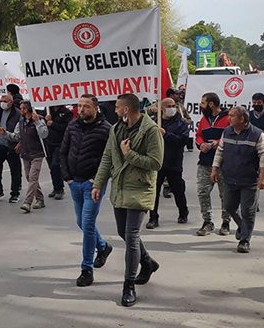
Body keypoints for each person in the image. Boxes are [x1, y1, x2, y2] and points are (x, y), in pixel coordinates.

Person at [92, 94, 163, 307]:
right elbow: (107, 157)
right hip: (121, 188)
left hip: (140, 188)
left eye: (117, 107)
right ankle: (148, 262)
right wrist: (98, 183)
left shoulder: (150, 131)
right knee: (123, 233)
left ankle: (128, 285)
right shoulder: (116, 129)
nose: (114, 110)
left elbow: (156, 163)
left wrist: (129, 154)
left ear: (126, 109)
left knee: (131, 236)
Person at [60, 94, 113, 287]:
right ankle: (103, 246)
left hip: (93, 185)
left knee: (88, 223)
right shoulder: (73, 126)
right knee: (80, 221)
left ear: (95, 108)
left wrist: (98, 180)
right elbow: (63, 151)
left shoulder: (106, 129)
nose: (81, 109)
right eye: (79, 106)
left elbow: (109, 158)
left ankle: (86, 269)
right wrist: (67, 177)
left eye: (86, 106)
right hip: (75, 182)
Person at [211, 106, 264, 253]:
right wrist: (214, 169)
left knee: (247, 211)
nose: (228, 118)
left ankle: (244, 240)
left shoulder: (257, 134)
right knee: (229, 206)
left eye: (232, 116)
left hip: (250, 180)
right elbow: (220, 151)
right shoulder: (227, 132)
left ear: (242, 119)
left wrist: (263, 177)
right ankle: (243, 227)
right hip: (230, 178)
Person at [146, 98, 189, 229]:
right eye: (169, 106)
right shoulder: (154, 122)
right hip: (157, 162)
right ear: (162, 109)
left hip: (173, 162)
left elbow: (183, 140)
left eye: (173, 106)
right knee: (154, 191)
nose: (172, 108)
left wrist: (166, 134)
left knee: (178, 189)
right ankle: (153, 217)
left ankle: (183, 212)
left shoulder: (181, 122)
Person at [195, 93, 231, 236]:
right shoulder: (204, 120)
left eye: (203, 103)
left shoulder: (228, 118)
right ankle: (207, 221)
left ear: (211, 104)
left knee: (226, 195)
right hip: (205, 162)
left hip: (224, 163)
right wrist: (201, 144)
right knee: (202, 192)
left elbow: (233, 136)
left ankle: (226, 222)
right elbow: (198, 135)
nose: (200, 105)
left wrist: (219, 143)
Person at [8, 101, 48, 213]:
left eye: (21, 108)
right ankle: (40, 199)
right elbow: (16, 136)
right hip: (26, 154)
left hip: (37, 154)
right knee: (29, 177)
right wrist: (5, 133)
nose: (19, 110)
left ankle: (27, 202)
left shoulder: (38, 119)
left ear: (26, 110)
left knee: (33, 178)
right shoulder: (21, 122)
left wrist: (37, 122)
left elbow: (44, 134)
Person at [0, 94, 22, 203]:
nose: (2, 103)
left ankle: (15, 193)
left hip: (12, 146)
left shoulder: (18, 114)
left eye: (5, 101)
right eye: (1, 101)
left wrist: (20, 143)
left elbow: (22, 130)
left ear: (11, 102)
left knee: (15, 170)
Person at [45, 105, 72, 200]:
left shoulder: (66, 112)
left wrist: (53, 124)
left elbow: (67, 127)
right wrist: (45, 120)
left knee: (55, 165)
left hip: (60, 143)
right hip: (49, 142)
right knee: (51, 167)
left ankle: (60, 189)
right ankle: (56, 187)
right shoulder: (48, 110)